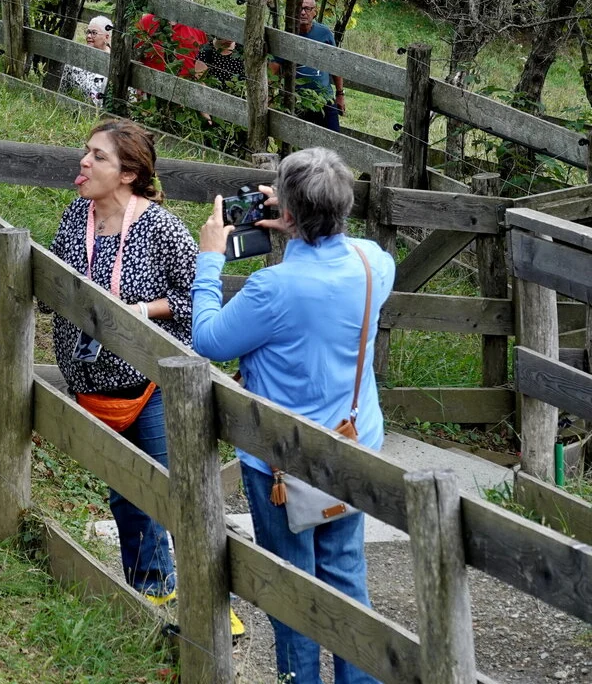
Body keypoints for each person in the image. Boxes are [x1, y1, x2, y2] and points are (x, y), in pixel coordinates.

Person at [191, 147, 394, 683]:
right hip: (352, 446)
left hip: (282, 464)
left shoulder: (272, 289)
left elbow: (209, 338)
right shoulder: (377, 263)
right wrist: (299, 222)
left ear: (291, 213)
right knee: (346, 582)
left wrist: (211, 257)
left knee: (292, 597)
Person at [46, 120, 245, 636]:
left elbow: (197, 299)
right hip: (93, 385)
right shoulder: (76, 217)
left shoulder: (161, 228)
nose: (84, 163)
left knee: (173, 493)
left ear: (129, 173)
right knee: (126, 492)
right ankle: (151, 599)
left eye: (99, 157)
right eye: (85, 152)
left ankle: (212, 610)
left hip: (152, 384)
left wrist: (141, 309)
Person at [270, 0, 346, 131]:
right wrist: (269, 95)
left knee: (332, 143)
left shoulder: (325, 34)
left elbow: (335, 65)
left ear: (315, 12)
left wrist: (340, 94)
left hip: (324, 99)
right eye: (299, 9)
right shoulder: (287, 35)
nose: (303, 12)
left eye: (307, 9)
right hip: (297, 101)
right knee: (300, 147)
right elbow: (273, 69)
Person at [60, 16, 112, 106]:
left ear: (106, 37)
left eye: (94, 33)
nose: (88, 36)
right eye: (88, 32)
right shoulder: (76, 58)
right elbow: (63, 92)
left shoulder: (114, 63)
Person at [135, 14, 207, 78]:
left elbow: (202, 66)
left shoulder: (197, 29)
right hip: (147, 81)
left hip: (183, 86)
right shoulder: (148, 21)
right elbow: (134, 53)